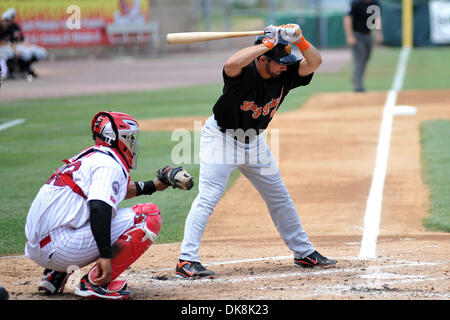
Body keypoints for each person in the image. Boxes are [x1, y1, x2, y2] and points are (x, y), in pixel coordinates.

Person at [175, 24, 337, 280]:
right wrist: (267, 45)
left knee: (279, 196)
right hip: (222, 139)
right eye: (279, 62)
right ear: (263, 60)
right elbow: (230, 64)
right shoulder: (244, 74)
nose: (285, 66)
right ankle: (187, 259)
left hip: (255, 142)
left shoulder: (284, 73)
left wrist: (301, 39)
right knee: (208, 197)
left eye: (286, 62)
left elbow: (315, 62)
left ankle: (303, 253)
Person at [25, 111, 190, 299]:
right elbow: (98, 208)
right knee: (147, 216)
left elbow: (111, 191)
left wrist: (154, 185)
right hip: (59, 248)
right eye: (129, 137)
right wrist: (105, 255)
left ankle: (56, 274)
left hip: (40, 245)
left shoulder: (92, 156)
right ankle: (94, 283)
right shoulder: (108, 164)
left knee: (97, 211)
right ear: (115, 137)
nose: (133, 143)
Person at [343, 0, 383, 92]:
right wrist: (349, 36)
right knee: (360, 59)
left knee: (366, 58)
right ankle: (358, 86)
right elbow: (347, 18)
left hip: (368, 35)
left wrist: (379, 33)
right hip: (356, 35)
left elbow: (377, 18)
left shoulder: (375, 3)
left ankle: (355, 77)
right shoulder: (355, 3)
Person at [1, 8, 47, 79]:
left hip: (15, 46)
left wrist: (22, 44)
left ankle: (24, 68)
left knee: (40, 52)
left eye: (9, 20)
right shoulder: (1, 28)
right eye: (6, 20)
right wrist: (13, 47)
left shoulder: (13, 26)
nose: (7, 22)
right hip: (6, 48)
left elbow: (18, 39)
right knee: (12, 54)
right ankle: (13, 70)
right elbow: (6, 42)